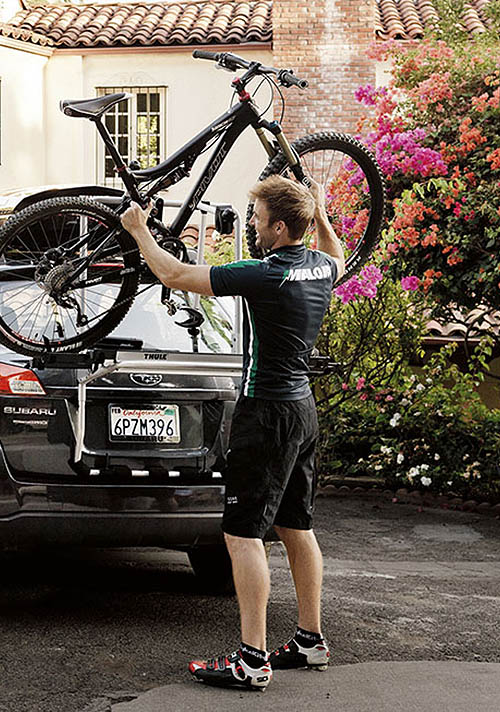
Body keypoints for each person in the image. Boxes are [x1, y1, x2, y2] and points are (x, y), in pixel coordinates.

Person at [120, 176, 342, 692]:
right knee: (295, 527)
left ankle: (250, 659)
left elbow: (173, 273)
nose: (252, 226)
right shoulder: (322, 267)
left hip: (265, 413)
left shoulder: (263, 274)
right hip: (302, 411)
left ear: (280, 227)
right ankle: (310, 641)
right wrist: (323, 214)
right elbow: (335, 250)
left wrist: (139, 232)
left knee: (242, 535)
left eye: (259, 218)